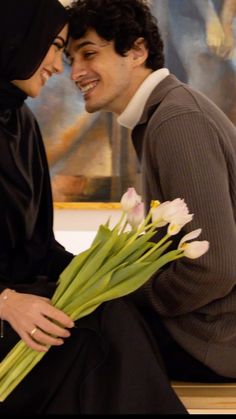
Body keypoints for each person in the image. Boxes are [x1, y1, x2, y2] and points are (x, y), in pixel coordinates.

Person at [0, 1, 187, 414]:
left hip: (23, 308)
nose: (57, 65)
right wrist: (7, 301)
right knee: (100, 334)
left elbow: (39, 248)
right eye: (53, 46)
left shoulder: (21, 124)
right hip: (7, 311)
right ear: (16, 38)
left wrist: (98, 278)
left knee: (109, 311)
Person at [66, 0, 236, 390]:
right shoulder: (164, 115)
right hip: (210, 336)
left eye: (89, 53)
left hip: (213, 343)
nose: (75, 72)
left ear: (138, 51)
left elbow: (214, 269)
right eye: (70, 58)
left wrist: (128, 292)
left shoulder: (177, 120)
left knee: (67, 346)